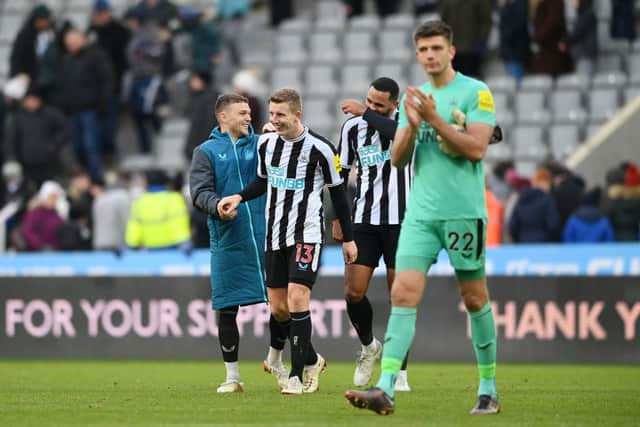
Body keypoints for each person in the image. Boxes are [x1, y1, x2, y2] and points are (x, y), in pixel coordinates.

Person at [345, 21, 499, 415]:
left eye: (436, 47)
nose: (429, 54)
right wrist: (411, 127)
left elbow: (477, 149)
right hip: (420, 214)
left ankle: (488, 388)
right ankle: (386, 387)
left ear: (451, 51)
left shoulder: (476, 93)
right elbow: (397, 159)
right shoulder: (417, 99)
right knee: (401, 295)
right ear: (417, 54)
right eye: (423, 49)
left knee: (474, 297)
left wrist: (434, 120)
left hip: (463, 213)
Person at [219, 88, 358, 395]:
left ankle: (296, 375)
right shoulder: (267, 144)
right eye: (271, 114)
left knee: (297, 298)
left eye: (280, 115)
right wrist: (238, 197)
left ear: (298, 114)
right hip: (275, 235)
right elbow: (261, 182)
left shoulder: (321, 148)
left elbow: (339, 195)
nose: (274, 120)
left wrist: (348, 239)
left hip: (306, 234)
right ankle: (313, 359)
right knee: (280, 309)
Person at [189, 93, 288, 393]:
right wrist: (217, 205)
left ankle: (277, 359)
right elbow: (199, 192)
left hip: (266, 234)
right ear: (223, 117)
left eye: (249, 113)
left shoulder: (263, 143)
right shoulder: (205, 151)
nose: (249, 117)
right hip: (228, 237)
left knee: (280, 305)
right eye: (242, 113)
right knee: (228, 307)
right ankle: (232, 377)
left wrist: (279, 138)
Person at [335, 77, 413, 391]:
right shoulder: (351, 129)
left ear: (395, 104)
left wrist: (365, 113)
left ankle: (400, 373)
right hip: (364, 221)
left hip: (403, 222)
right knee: (353, 292)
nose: (370, 108)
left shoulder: (407, 122)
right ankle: (369, 346)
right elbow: (339, 173)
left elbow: (399, 134)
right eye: (368, 102)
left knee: (401, 299)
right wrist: (340, 217)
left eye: (379, 105)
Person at [125, 169, 190, 249]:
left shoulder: (139, 202)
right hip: (173, 250)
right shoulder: (174, 199)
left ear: (147, 183)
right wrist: (184, 244)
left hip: (151, 251)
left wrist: (131, 244)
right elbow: (178, 223)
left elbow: (134, 227)